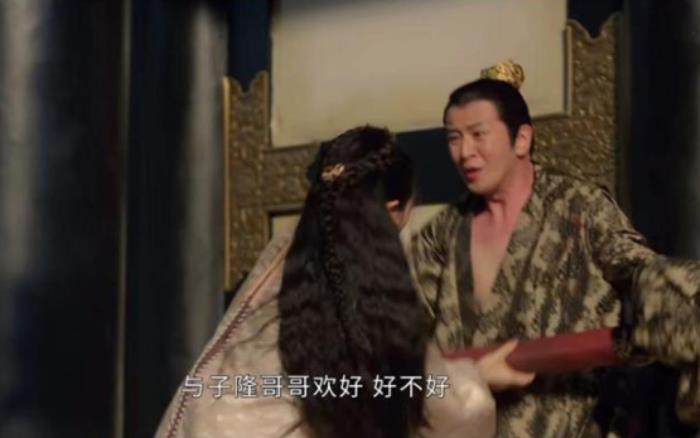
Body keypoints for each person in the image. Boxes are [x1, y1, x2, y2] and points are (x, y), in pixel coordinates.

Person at [154, 126, 532, 438]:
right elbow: (460, 410)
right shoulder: (375, 301)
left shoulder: (279, 273)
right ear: (394, 211)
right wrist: (477, 380)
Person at [411, 68, 700, 437]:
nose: (465, 152)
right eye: (454, 138)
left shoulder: (579, 208)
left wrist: (683, 300)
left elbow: (638, 270)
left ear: (521, 139)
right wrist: (466, 379)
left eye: (478, 134)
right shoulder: (440, 234)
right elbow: (397, 351)